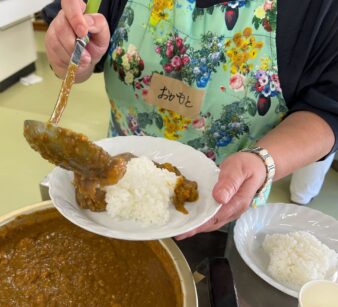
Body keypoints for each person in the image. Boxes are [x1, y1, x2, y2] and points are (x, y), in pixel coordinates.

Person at [44, 0, 338, 239]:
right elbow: (80, 49)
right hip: (112, 201)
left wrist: (263, 161)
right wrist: (70, 55)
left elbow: (328, 107)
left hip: (227, 203)